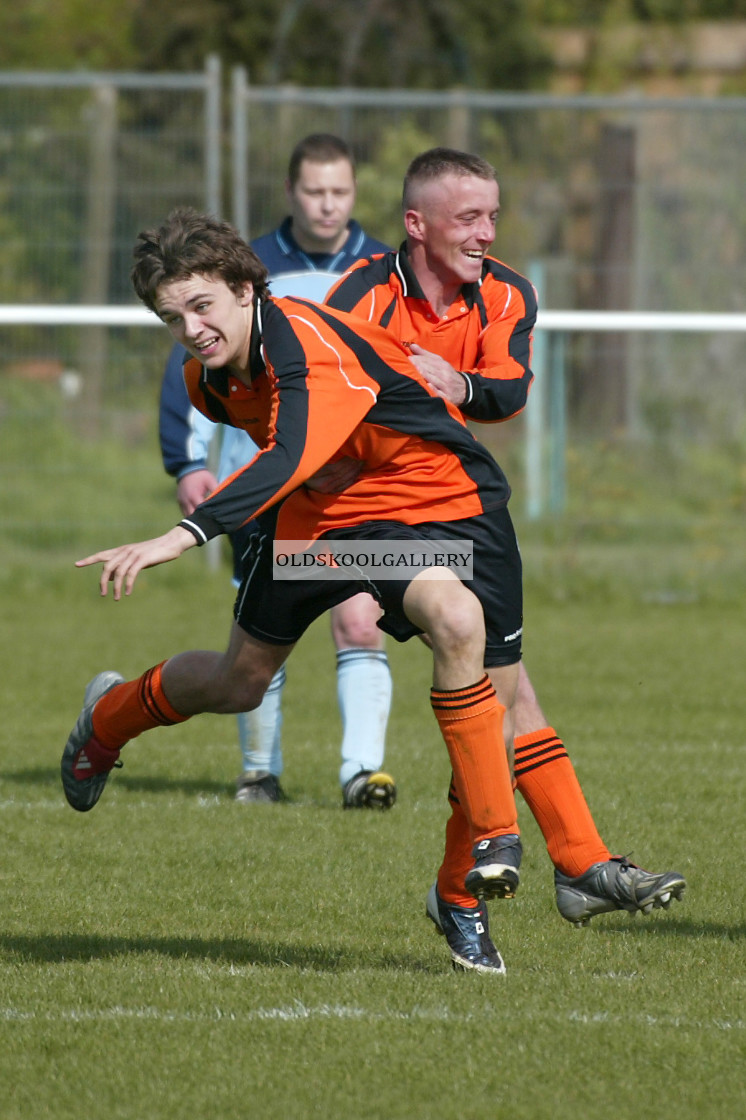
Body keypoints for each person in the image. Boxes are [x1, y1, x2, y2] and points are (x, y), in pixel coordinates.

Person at [62, 206, 532, 974]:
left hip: (426, 517)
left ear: (248, 288)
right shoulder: (207, 375)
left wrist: (175, 538)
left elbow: (286, 456)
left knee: (459, 626)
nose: (190, 328)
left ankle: (467, 880)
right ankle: (106, 719)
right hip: (314, 540)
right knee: (237, 682)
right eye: (171, 315)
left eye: (203, 306)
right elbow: (284, 464)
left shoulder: (307, 345)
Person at [324, 147, 686, 970]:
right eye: (468, 218)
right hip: (366, 512)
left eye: (492, 215)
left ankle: (516, 878)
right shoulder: (359, 298)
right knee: (250, 674)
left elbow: (506, 390)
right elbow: (322, 399)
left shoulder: (509, 291)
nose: (486, 232)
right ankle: (514, 846)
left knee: (502, 686)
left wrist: (453, 382)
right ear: (416, 225)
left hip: (464, 506)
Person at [159, 133, 393, 809]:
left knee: (360, 619)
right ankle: (260, 772)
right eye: (315, 191)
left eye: (340, 192)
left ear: (354, 193)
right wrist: (186, 464)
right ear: (292, 193)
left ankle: (362, 774)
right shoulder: (240, 270)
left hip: (347, 487)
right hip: (257, 481)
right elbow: (192, 371)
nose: (327, 205)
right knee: (261, 636)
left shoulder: (381, 270)